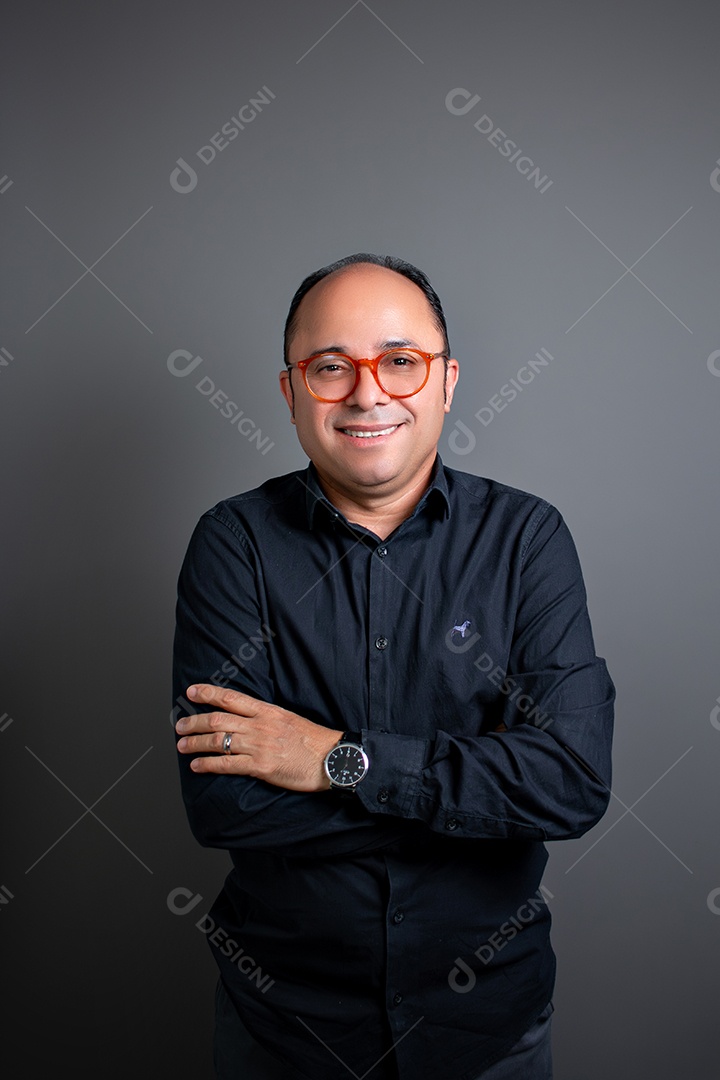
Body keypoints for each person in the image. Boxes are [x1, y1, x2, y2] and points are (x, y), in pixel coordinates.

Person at [173, 253, 614, 1080]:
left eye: (400, 362)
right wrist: (471, 791)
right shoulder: (233, 546)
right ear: (291, 390)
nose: (368, 393)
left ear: (446, 382)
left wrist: (330, 760)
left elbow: (571, 779)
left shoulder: (527, 541)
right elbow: (223, 803)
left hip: (489, 1032)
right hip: (285, 1035)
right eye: (331, 367)